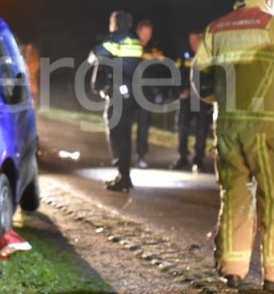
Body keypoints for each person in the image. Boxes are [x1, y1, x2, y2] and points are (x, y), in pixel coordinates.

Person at [194, 0, 274, 292]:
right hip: (269, 128)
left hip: (229, 126)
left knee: (234, 195)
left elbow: (201, 81)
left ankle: (232, 270)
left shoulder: (216, 28)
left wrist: (222, 100)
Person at [88, 10, 144, 191]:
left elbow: (95, 57)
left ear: (116, 23)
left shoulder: (113, 40)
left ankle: (123, 175)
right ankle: (125, 175)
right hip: (132, 95)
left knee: (115, 133)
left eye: (111, 22)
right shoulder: (135, 41)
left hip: (117, 94)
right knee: (125, 135)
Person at [173, 30, 214, 172]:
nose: (192, 44)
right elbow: (177, 75)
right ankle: (182, 157)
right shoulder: (185, 57)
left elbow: (212, 78)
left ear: (201, 39)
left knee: (201, 129)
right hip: (186, 99)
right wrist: (180, 91)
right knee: (182, 127)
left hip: (202, 99)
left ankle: (199, 159)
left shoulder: (208, 57)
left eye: (195, 41)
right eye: (191, 41)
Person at [134, 19, 167, 168]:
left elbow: (161, 67)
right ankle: (123, 155)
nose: (147, 36)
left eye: (149, 34)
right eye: (144, 33)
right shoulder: (131, 46)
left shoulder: (153, 50)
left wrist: (158, 91)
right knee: (124, 124)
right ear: (138, 31)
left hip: (146, 92)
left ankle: (141, 156)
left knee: (143, 125)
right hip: (130, 90)